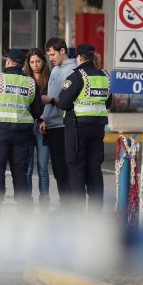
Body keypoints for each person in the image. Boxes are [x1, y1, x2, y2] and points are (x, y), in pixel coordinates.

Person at [0, 48, 44, 212]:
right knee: (20, 173)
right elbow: (38, 111)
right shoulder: (30, 83)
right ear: (22, 64)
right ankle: (25, 212)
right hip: (22, 135)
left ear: (8, 62)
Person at [57, 44, 112, 211]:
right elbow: (108, 102)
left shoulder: (77, 76)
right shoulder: (105, 75)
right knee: (94, 168)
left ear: (79, 58)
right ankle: (95, 213)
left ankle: (78, 214)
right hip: (97, 128)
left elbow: (64, 103)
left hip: (77, 128)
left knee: (76, 168)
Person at [40, 37, 76, 204]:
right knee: (57, 170)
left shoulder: (71, 70)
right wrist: (45, 118)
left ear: (63, 51)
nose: (51, 58)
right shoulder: (55, 69)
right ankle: (66, 204)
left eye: (53, 54)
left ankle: (68, 206)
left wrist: (51, 101)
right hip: (52, 124)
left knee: (64, 169)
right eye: (49, 55)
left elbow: (66, 99)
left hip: (63, 125)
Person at [23, 48, 51, 211]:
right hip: (27, 125)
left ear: (43, 61)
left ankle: (45, 200)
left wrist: (45, 119)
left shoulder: (51, 78)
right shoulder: (25, 79)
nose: (35, 65)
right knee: (27, 168)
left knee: (43, 167)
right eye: (32, 62)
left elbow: (54, 102)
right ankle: (27, 200)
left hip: (43, 126)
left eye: (38, 61)